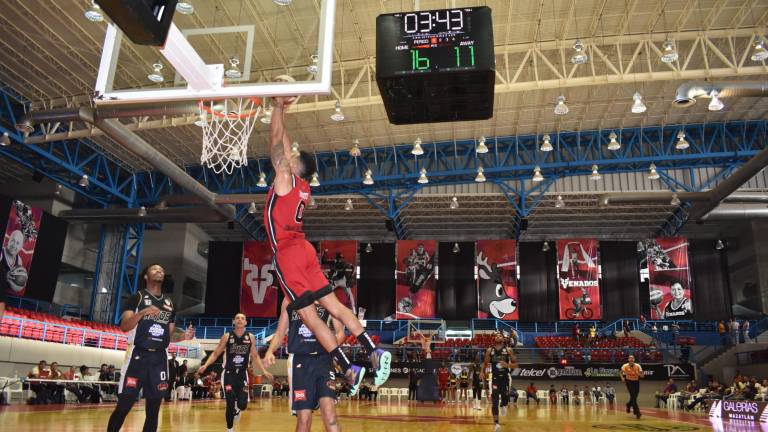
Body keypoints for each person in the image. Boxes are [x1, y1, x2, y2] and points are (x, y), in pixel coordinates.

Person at [265, 95, 389, 393]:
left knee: (308, 315)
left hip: (288, 253)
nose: (288, 155)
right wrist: (284, 112)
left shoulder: (285, 179)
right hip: (305, 249)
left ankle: (348, 368)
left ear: (292, 165)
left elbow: (275, 140)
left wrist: (277, 107)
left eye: (291, 156)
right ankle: (373, 349)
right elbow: (285, 145)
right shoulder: (303, 187)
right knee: (334, 305)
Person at [107, 264, 194, 432]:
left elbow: (169, 335)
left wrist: (183, 337)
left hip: (159, 359)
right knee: (124, 406)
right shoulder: (137, 298)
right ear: (146, 276)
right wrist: (142, 313)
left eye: (162, 270)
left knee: (153, 412)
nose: (159, 271)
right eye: (155, 269)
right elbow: (124, 326)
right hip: (137, 356)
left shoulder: (170, 303)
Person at [264, 299, 344, 432]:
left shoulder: (326, 295)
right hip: (300, 361)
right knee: (304, 419)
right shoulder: (289, 298)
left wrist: (329, 346)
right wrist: (270, 351)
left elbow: (340, 333)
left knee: (330, 417)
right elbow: (280, 332)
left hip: (323, 361)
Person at [198, 313, 273, 432]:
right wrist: (205, 365)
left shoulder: (250, 337)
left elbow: (255, 356)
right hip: (229, 374)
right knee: (230, 402)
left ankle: (238, 410)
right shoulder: (227, 336)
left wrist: (264, 371)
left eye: (242, 318)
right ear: (234, 321)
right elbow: (216, 353)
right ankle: (230, 429)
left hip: (242, 374)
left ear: (246, 322)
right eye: (237, 318)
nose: (240, 320)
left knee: (243, 405)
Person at [484, 332, 517, 431]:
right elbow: (485, 363)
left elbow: (516, 365)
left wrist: (507, 365)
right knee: (494, 401)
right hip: (494, 378)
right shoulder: (490, 350)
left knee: (505, 396)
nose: (498, 336)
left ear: (503, 338)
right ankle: (496, 424)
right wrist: (482, 372)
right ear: (494, 338)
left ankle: (503, 404)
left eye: (500, 336)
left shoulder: (508, 350)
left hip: (505, 377)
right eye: (496, 335)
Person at [621, 354, 644, 419]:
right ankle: (637, 412)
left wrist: (638, 373)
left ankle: (628, 405)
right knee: (633, 395)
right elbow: (621, 372)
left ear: (634, 359)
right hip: (629, 382)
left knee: (634, 397)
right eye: (630, 358)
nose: (631, 359)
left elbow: (642, 376)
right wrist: (622, 378)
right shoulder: (625, 366)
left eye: (632, 358)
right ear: (628, 359)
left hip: (636, 382)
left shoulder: (638, 366)